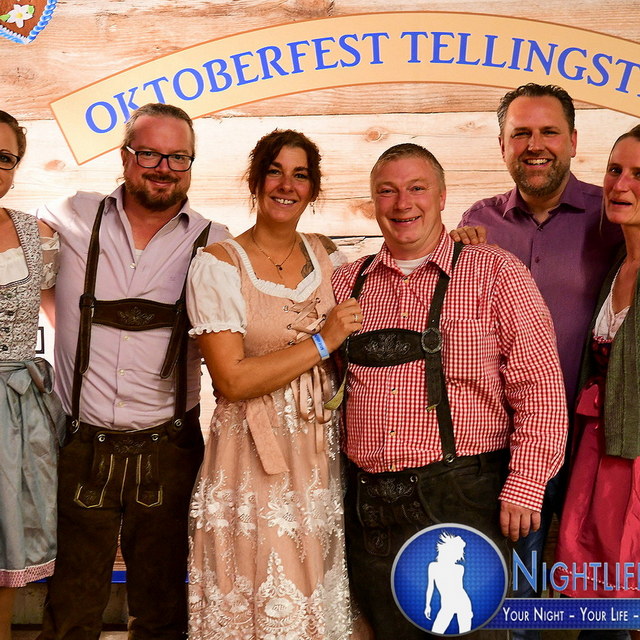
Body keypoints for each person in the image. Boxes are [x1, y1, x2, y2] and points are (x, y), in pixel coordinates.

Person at [332, 142, 568, 640]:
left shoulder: (496, 272)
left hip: (463, 497)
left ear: (442, 197)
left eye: (417, 188)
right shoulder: (345, 283)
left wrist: (526, 484)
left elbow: (540, 388)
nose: (403, 203)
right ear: (373, 202)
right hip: (370, 507)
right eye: (387, 191)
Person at [36, 103, 229, 640]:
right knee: (70, 610)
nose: (164, 168)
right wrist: (68, 324)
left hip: (169, 449)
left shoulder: (217, 241)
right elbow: (24, 259)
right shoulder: (69, 214)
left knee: (162, 611)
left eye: (178, 157)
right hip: (80, 444)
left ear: (191, 163)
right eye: (149, 154)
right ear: (125, 157)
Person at [456, 83, 623, 639]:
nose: (535, 145)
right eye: (521, 133)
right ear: (502, 144)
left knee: (601, 593)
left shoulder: (612, 215)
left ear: (573, 141)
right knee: (515, 599)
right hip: (508, 447)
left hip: (594, 443)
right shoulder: (478, 222)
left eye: (549, 131)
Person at [186, 129, 362, 640]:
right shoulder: (219, 263)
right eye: (275, 171)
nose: (287, 185)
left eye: (300, 175)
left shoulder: (329, 255)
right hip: (251, 454)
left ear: (313, 188)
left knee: (317, 592)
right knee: (259, 581)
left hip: (320, 449)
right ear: (255, 180)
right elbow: (233, 380)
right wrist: (322, 342)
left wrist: (458, 239)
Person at [555, 125, 640, 639]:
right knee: (599, 607)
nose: (621, 184)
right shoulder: (617, 262)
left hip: (634, 456)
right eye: (615, 170)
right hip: (598, 448)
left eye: (639, 174)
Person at [0, 111, 64, 640]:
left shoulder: (35, 234)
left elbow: (63, 322)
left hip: (18, 409)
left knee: (7, 549)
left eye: (5, 158)